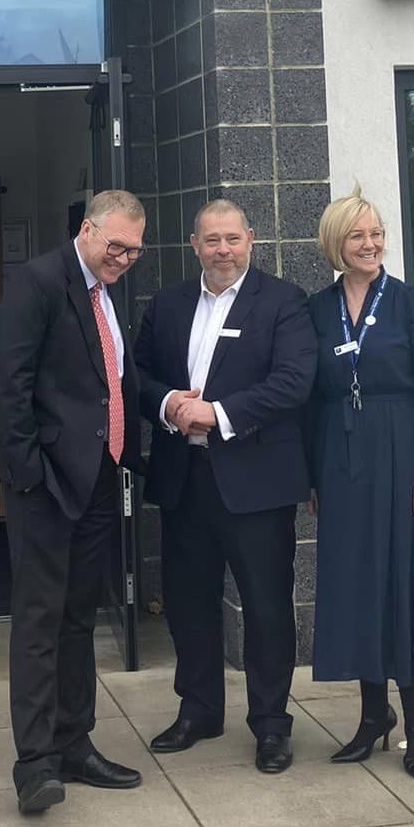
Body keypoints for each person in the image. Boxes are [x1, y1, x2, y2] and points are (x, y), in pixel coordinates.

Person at [134, 198, 316, 773]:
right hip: (186, 480)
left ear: (251, 240)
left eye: (232, 238)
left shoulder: (284, 302)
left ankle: (270, 724)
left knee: (265, 608)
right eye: (211, 240)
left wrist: (218, 414)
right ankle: (199, 710)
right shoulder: (166, 304)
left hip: (255, 484)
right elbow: (133, 376)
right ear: (194, 245)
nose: (223, 250)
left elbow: (293, 382)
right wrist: (167, 403)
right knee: (188, 601)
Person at [0, 187, 147, 815]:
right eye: (116, 246)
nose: (124, 259)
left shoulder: (107, 295)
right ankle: (34, 764)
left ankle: (74, 742)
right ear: (86, 230)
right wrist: (28, 476)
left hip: (100, 483)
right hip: (48, 487)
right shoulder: (38, 282)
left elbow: (111, 381)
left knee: (79, 618)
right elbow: (11, 383)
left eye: (133, 251)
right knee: (38, 622)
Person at [308, 189, 414, 780]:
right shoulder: (317, 310)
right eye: (357, 236)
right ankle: (373, 716)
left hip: (399, 456)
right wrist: (312, 478)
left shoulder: (410, 304)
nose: (370, 245)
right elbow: (310, 396)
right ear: (335, 245)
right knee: (354, 585)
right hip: (340, 456)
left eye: (376, 234)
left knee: (398, 585)